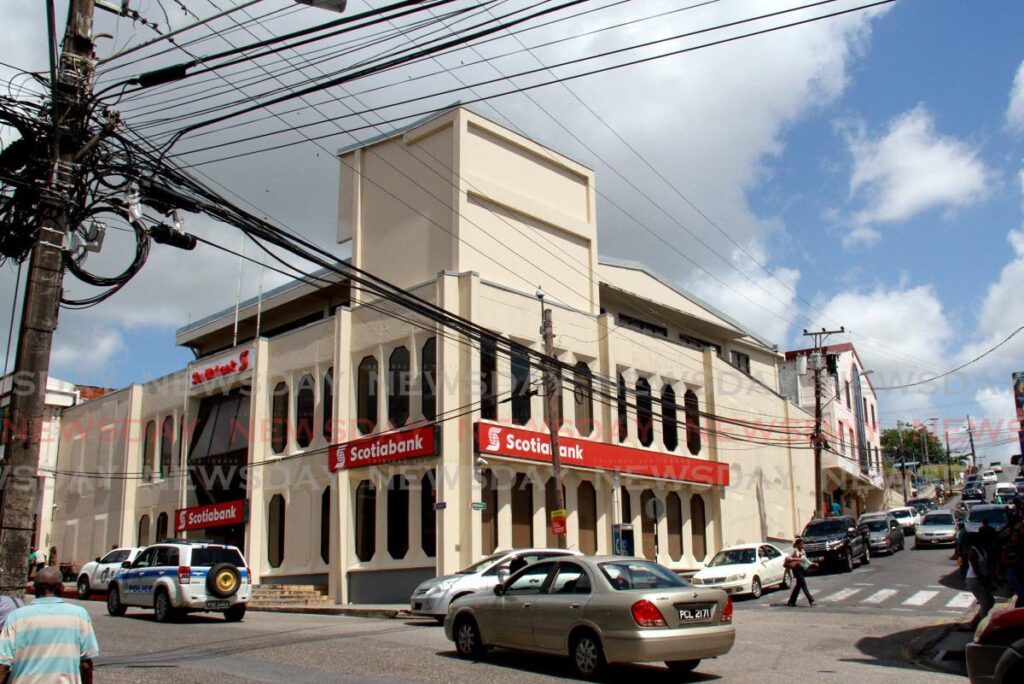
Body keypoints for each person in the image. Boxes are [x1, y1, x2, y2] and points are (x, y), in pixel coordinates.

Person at [0, 566, 99, 684]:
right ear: (62, 588)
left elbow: (4, 665)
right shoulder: (79, 615)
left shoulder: (16, 617)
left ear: (33, 588)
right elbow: (86, 664)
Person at [966, 533, 996, 622]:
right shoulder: (973, 551)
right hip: (974, 579)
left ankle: (976, 620)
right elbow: (976, 569)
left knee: (991, 601)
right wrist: (983, 580)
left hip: (982, 578)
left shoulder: (982, 549)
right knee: (985, 603)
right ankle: (982, 623)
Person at [785, 538, 816, 607]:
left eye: (803, 544)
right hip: (796, 569)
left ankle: (791, 601)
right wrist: (797, 558)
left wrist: (812, 564)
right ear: (797, 545)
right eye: (801, 544)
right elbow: (787, 558)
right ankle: (811, 600)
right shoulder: (794, 551)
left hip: (801, 569)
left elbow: (806, 561)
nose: (802, 545)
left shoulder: (803, 551)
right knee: (803, 584)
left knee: (798, 585)